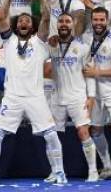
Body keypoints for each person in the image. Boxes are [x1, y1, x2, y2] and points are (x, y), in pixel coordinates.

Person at [0, 0, 68, 186]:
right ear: (16, 25)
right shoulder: (8, 40)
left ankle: (60, 172)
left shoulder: (39, 42)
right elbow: (2, 17)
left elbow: (47, 17)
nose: (23, 22)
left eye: (27, 20)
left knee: (51, 135)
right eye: (20, 20)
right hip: (11, 97)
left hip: (35, 97)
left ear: (32, 26)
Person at [44, 13, 98, 182]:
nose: (64, 24)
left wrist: (91, 97)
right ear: (57, 25)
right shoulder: (50, 46)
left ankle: (93, 171)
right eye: (61, 21)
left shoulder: (82, 46)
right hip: (57, 98)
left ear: (73, 25)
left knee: (83, 133)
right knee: (51, 136)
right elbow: (43, 68)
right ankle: (55, 171)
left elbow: (89, 73)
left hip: (77, 97)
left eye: (67, 21)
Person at [84, 7, 111, 181]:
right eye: (95, 20)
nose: (98, 23)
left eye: (101, 20)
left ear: (107, 20)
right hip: (94, 91)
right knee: (96, 129)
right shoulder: (87, 38)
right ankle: (108, 166)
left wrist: (98, 73)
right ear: (92, 20)